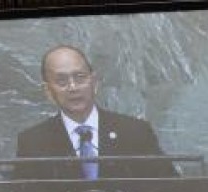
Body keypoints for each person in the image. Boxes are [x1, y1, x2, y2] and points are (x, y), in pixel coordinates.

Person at [15, 45, 177, 181]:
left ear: (94, 83)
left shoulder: (136, 131)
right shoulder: (32, 141)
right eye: (62, 81)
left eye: (79, 77)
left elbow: (170, 188)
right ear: (49, 91)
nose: (73, 87)